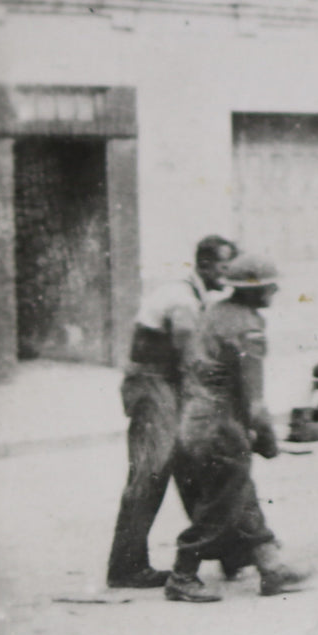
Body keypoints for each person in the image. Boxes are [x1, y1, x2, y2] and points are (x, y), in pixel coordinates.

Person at [165, 253, 311, 603]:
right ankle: (182, 574)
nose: (275, 290)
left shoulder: (215, 312)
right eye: (268, 286)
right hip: (220, 426)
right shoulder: (248, 328)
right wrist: (269, 440)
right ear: (254, 290)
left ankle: (271, 568)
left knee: (241, 496)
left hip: (192, 418)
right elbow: (255, 402)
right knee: (221, 504)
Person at [105, 234, 236, 589]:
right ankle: (126, 568)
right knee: (151, 472)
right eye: (225, 267)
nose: (229, 275)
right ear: (205, 265)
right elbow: (189, 354)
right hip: (151, 385)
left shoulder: (194, 293)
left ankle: (225, 549)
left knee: (190, 465)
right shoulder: (181, 300)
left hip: (165, 383)